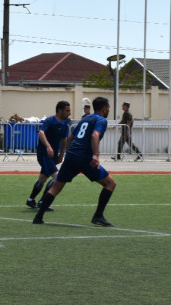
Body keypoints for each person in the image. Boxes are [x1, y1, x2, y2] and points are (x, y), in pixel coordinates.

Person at [32, 97, 117, 227]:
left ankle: (38, 217)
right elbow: (95, 135)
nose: (108, 110)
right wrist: (95, 155)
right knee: (110, 183)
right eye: (108, 107)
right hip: (84, 158)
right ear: (105, 108)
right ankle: (98, 216)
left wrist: (69, 153)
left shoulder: (86, 118)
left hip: (72, 156)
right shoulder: (101, 120)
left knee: (56, 187)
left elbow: (71, 137)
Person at [26, 100, 72, 209]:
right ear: (60, 110)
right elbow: (41, 133)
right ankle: (43, 202)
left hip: (53, 156)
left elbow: (64, 139)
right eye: (67, 111)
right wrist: (48, 146)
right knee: (57, 177)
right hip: (44, 154)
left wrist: (61, 155)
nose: (69, 113)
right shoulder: (50, 120)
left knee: (43, 178)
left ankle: (31, 200)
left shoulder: (65, 123)